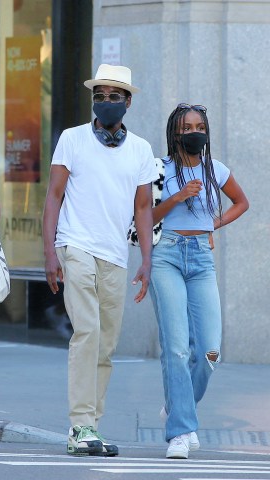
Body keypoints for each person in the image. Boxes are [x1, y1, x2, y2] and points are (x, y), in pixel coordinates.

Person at [43, 64, 158, 456]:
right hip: (75, 246)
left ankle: (91, 426)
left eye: (113, 96)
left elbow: (143, 207)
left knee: (106, 345)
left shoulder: (141, 149)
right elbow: (54, 195)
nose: (105, 102)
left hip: (115, 255)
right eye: (99, 96)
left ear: (128, 102)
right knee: (87, 332)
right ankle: (80, 425)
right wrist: (49, 252)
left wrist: (146, 259)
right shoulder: (72, 139)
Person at [149, 103, 249, 459]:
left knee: (210, 350)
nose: (194, 132)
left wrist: (212, 226)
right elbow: (144, 214)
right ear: (175, 133)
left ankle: (179, 407)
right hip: (167, 255)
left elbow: (241, 202)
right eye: (187, 127)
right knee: (176, 347)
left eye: (199, 126)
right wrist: (178, 196)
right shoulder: (160, 169)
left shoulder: (216, 170)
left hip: (202, 260)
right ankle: (180, 431)